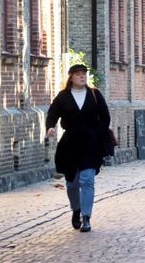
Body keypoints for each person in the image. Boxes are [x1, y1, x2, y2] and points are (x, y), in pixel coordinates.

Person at [46, 63, 111, 233]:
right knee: (72, 184)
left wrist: (99, 134)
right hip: (70, 144)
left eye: (84, 74)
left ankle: (86, 217)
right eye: (78, 74)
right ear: (71, 77)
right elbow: (52, 114)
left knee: (87, 180)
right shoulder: (63, 96)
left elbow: (105, 116)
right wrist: (50, 127)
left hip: (91, 143)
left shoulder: (95, 94)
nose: (82, 76)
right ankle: (76, 209)